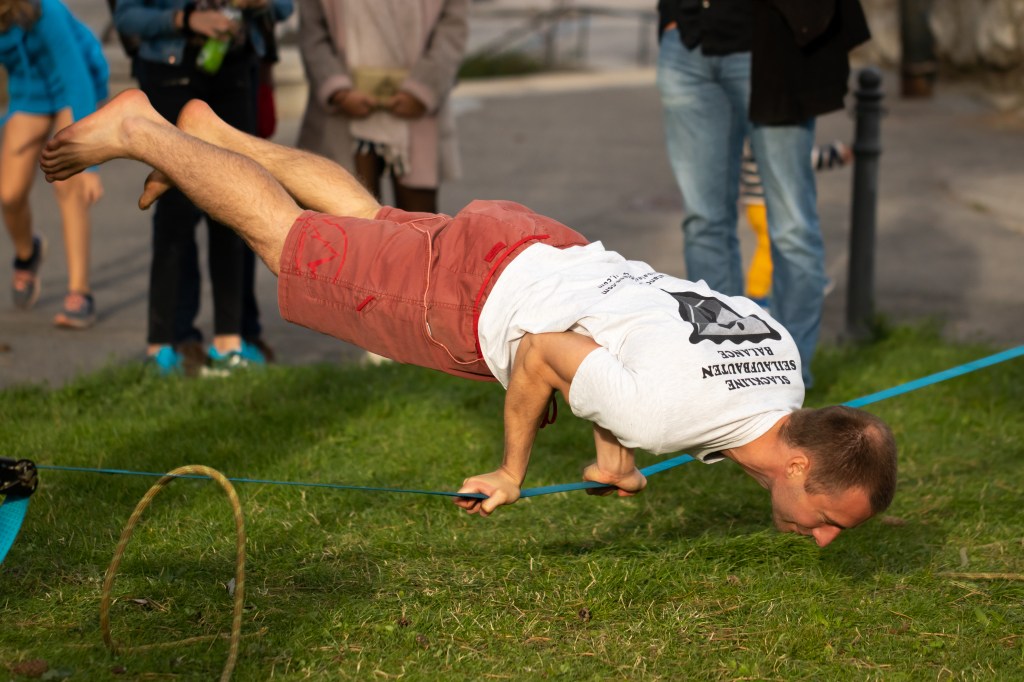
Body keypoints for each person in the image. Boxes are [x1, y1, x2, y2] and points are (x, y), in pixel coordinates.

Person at [40, 90, 898, 547]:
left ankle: (214, 135)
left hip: (539, 244)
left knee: (368, 223)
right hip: (476, 298)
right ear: (794, 464)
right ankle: (143, 130)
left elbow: (646, 335)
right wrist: (512, 470)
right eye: (830, 518)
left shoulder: (783, 363)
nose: (824, 537)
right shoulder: (670, 412)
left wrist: (613, 455)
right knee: (290, 243)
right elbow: (546, 352)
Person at [656, 0, 870, 387]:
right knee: (703, 222)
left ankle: (790, 379)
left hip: (772, 44)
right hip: (688, 43)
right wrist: (671, 16)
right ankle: (725, 376)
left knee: (792, 227)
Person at [114, 0, 292, 374]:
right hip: (171, 75)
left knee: (234, 205)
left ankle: (229, 341)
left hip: (234, 72)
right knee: (174, 209)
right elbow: (126, 15)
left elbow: (285, 7)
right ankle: (163, 345)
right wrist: (186, 19)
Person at [295, 0, 468, 214]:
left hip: (416, 112)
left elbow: (452, 30)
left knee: (418, 222)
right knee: (352, 216)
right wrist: (338, 90)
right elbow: (313, 34)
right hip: (344, 116)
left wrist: (423, 88)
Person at [0, 0, 108, 328]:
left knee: (67, 183)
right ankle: (27, 253)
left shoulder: (46, 11)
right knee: (9, 195)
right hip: (28, 92)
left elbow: (76, 79)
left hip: (72, 89)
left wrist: (90, 166)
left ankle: (80, 293)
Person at [742, 140, 853, 305]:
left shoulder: (749, 136)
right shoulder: (768, 139)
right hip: (767, 203)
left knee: (785, 242)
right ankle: (757, 295)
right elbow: (801, 158)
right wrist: (835, 154)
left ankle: (808, 279)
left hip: (756, 204)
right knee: (775, 245)